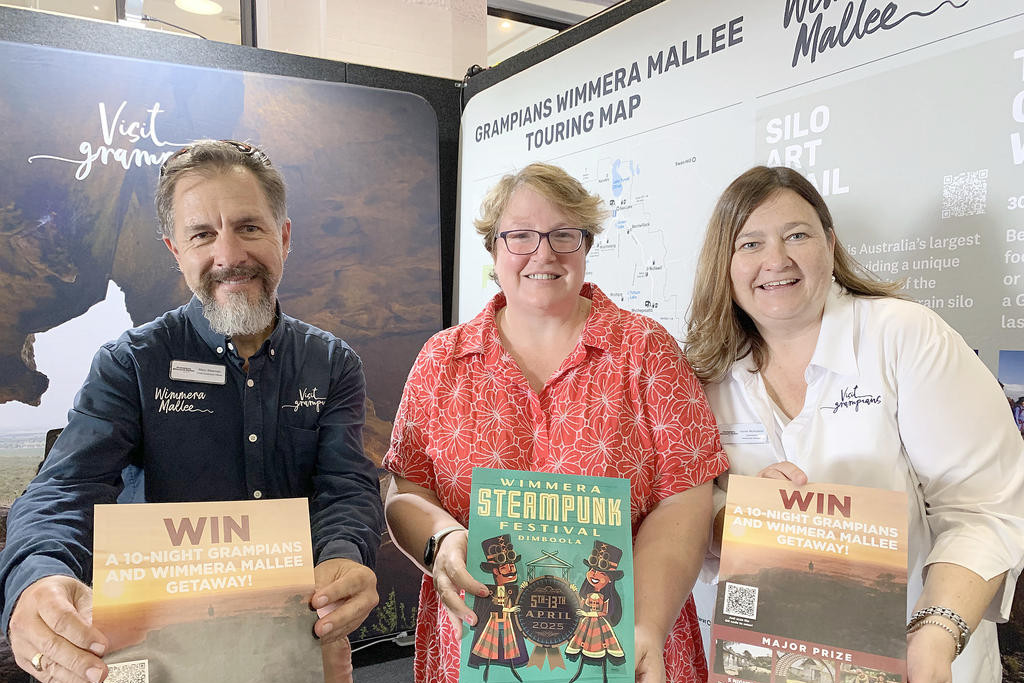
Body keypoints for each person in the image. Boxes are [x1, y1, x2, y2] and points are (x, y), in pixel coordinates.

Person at [0, 140, 384, 683]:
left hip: (298, 643)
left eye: (249, 227)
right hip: (162, 653)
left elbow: (346, 486)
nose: (229, 256)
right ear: (174, 249)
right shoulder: (130, 364)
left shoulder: (332, 363)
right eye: (202, 234)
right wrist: (35, 578)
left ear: (285, 237)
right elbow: (64, 489)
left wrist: (346, 550)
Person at [382, 162, 728, 683]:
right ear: (494, 251)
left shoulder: (647, 352)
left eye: (563, 235)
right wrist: (442, 540)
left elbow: (685, 496)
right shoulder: (441, 360)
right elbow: (407, 488)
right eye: (520, 236)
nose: (543, 253)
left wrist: (648, 624)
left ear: (586, 245)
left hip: (628, 645)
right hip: (475, 647)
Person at [684, 165, 1024, 682]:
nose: (776, 260)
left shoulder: (903, 336)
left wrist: (935, 634)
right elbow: (694, 513)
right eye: (749, 244)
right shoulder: (707, 375)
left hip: (918, 658)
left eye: (796, 235)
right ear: (723, 265)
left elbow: (984, 508)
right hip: (767, 658)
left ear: (830, 243)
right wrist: (744, 519)